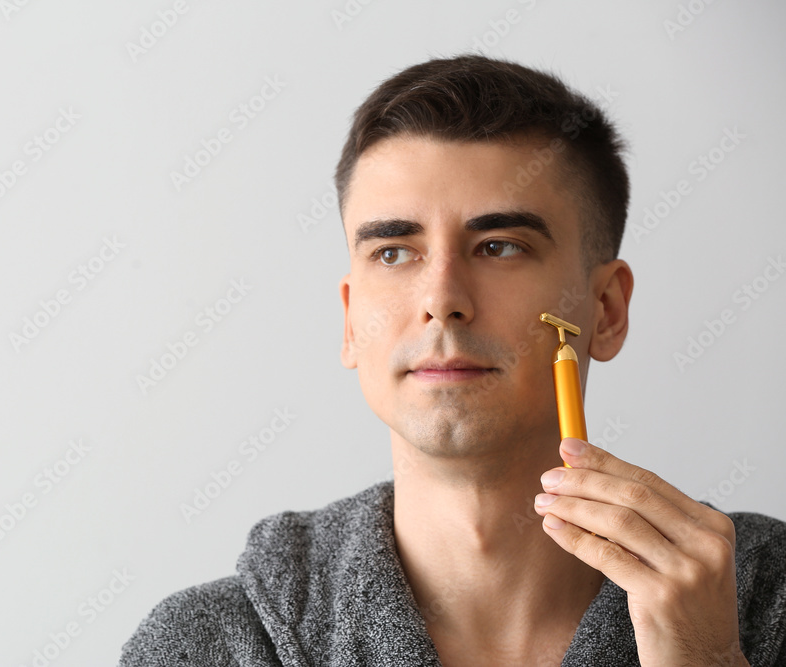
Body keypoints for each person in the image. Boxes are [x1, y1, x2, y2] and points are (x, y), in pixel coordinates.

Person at [119, 54, 786, 666]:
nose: (441, 300)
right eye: (394, 251)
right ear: (352, 320)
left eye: (499, 246)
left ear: (606, 309)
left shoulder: (763, 605)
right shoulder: (202, 645)